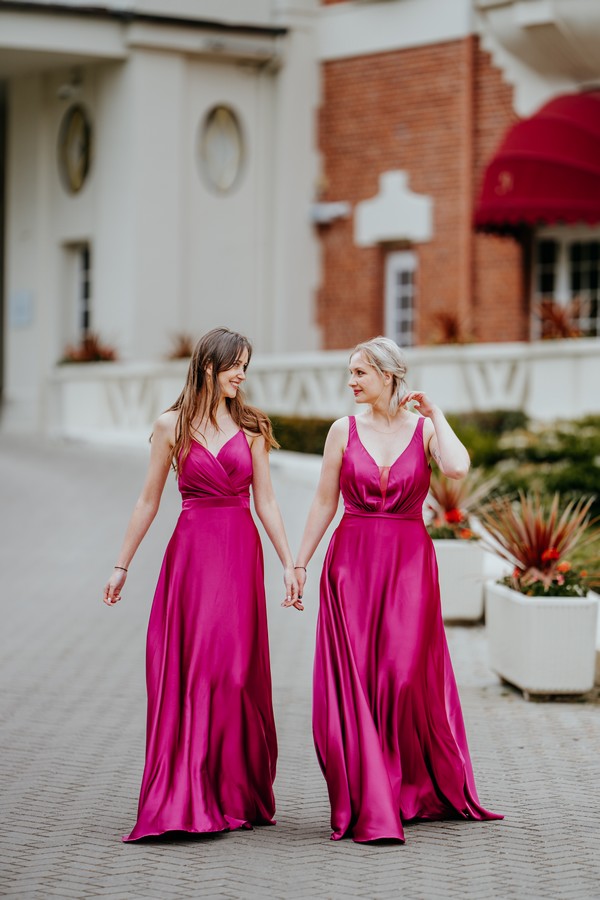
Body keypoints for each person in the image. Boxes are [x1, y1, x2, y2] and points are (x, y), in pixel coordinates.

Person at [289, 336, 502, 843]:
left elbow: (456, 467)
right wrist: (299, 562)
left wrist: (437, 413)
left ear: (388, 375)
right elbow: (323, 502)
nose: (352, 383)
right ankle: (372, 793)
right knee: (358, 678)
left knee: (402, 676)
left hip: (409, 565)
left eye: (360, 373)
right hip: (352, 566)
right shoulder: (343, 430)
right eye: (350, 373)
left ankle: (404, 787)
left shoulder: (424, 429)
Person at [103, 327, 303, 842]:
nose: (242, 374)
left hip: (238, 555)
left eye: (246, 366)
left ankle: (232, 791)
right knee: (195, 673)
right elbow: (148, 500)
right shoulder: (171, 425)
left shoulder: (253, 427)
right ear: (209, 366)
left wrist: (289, 563)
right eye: (236, 365)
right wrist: (122, 564)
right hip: (191, 557)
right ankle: (191, 792)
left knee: (234, 673)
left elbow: (268, 503)